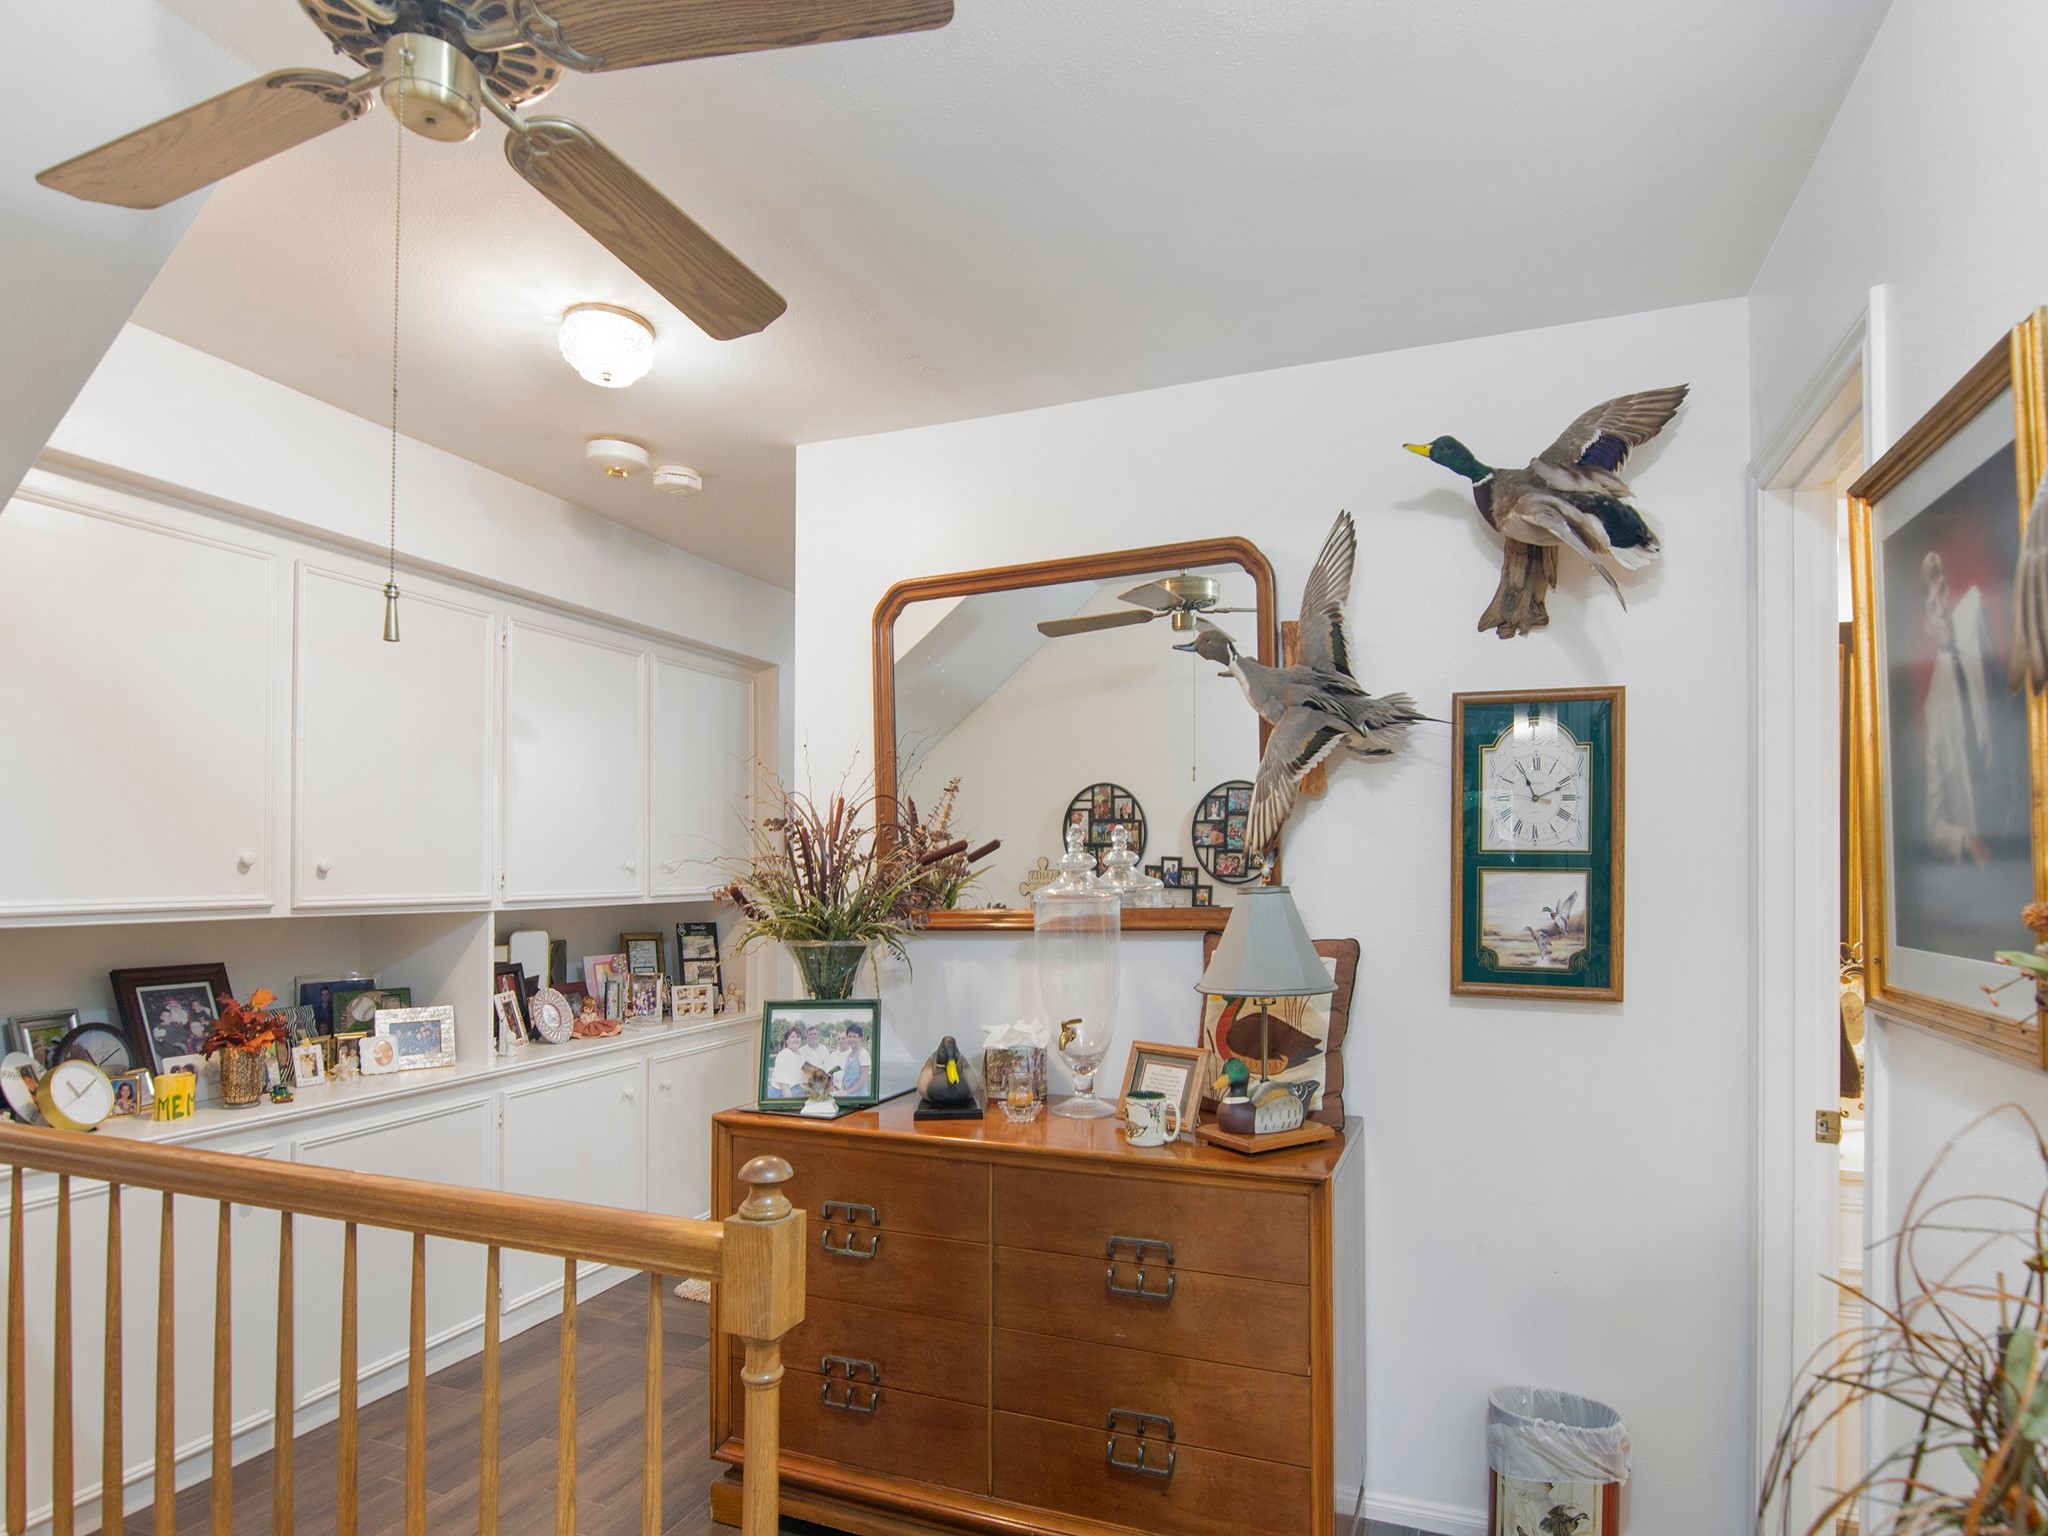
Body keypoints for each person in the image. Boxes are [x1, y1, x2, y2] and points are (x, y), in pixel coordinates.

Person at [1919, 551, 2003, 865]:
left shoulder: (1975, 626)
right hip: (1986, 856)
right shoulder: (1933, 708)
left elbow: (2010, 708)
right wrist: (1967, 839)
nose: (1941, 609)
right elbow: (1933, 825)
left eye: (1942, 591)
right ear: (1927, 625)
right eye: (1931, 606)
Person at [768, 1026, 808, 1098]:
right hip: (781, 1094)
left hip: (797, 1090)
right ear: (787, 1040)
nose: (796, 1039)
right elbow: (784, 1086)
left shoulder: (800, 1055)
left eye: (798, 1036)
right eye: (792, 1037)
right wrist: (791, 1104)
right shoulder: (784, 1055)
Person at [835, 1025, 870, 1096]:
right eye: (850, 1036)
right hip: (848, 1094)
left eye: (854, 1037)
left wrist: (846, 1092)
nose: (851, 1039)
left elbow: (863, 1080)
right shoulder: (849, 1054)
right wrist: (841, 1090)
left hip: (859, 1096)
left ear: (860, 1038)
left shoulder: (863, 1053)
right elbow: (845, 1077)